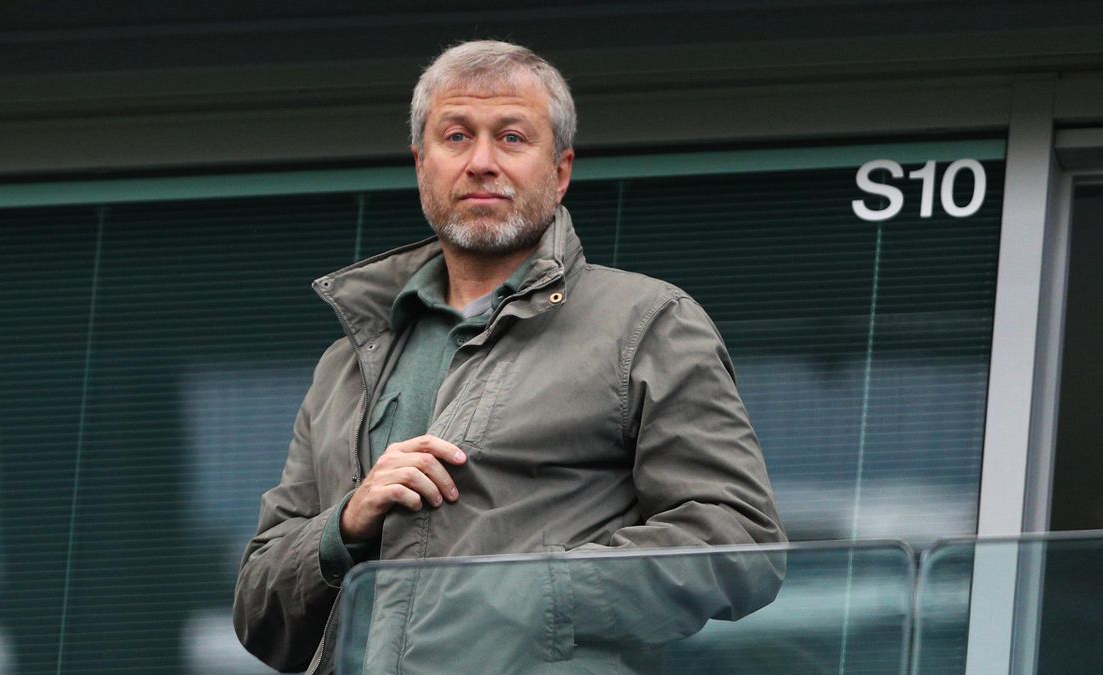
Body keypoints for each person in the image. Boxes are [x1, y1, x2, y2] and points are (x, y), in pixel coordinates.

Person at [233, 39, 785, 674]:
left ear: (561, 170)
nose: (481, 162)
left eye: (512, 138)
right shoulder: (348, 361)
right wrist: (346, 524)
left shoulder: (648, 323)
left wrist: (533, 593)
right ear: (421, 164)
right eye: (456, 137)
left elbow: (738, 542)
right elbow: (257, 613)